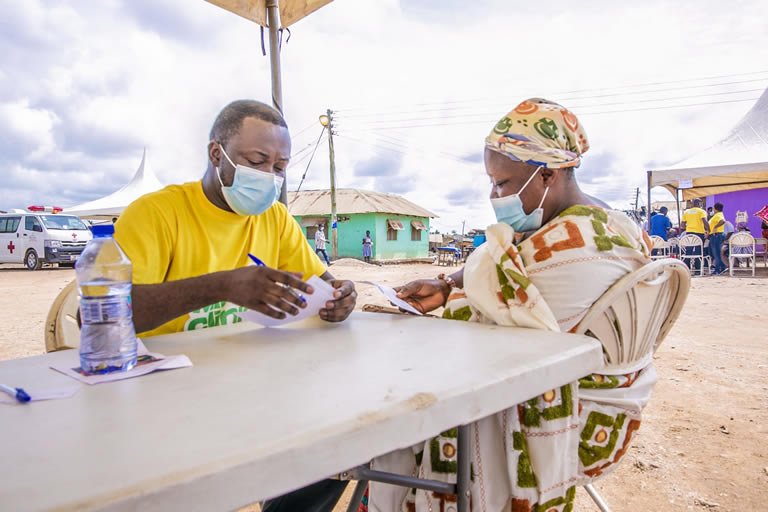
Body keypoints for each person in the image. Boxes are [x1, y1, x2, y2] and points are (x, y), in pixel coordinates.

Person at [364, 98, 653, 512]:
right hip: (615, 394)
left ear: (548, 174)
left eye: (501, 183)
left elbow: (489, 314)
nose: (493, 194)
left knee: (412, 400)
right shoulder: (608, 223)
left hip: (576, 411)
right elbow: (503, 278)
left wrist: (453, 296)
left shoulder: (571, 247)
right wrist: (448, 284)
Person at [681, 198, 709, 272]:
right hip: (699, 234)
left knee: (688, 251)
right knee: (698, 252)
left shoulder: (686, 212)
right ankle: (698, 270)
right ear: (700, 204)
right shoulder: (702, 211)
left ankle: (686, 269)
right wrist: (708, 230)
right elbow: (705, 222)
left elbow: (682, 225)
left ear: (692, 204)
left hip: (689, 234)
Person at [708, 202, 726, 274]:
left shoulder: (718, 215)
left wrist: (715, 227)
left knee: (716, 253)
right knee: (717, 253)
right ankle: (722, 267)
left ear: (715, 208)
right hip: (716, 235)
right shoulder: (718, 214)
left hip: (716, 235)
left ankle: (718, 270)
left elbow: (723, 221)